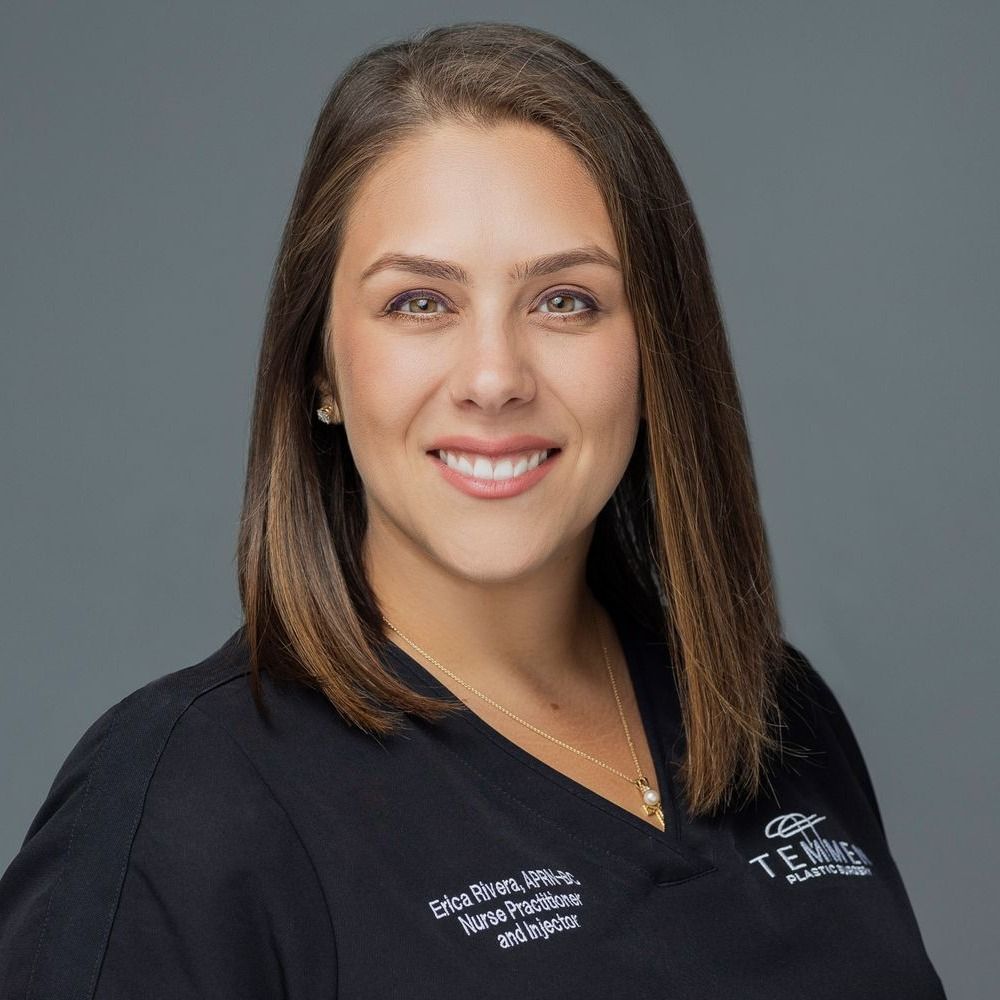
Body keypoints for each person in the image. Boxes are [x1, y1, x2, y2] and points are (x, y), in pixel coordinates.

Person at [0, 20, 947, 999]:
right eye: (419, 302)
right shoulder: (180, 810)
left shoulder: (773, 713)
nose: (494, 378)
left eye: (566, 300)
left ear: (656, 351)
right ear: (320, 366)